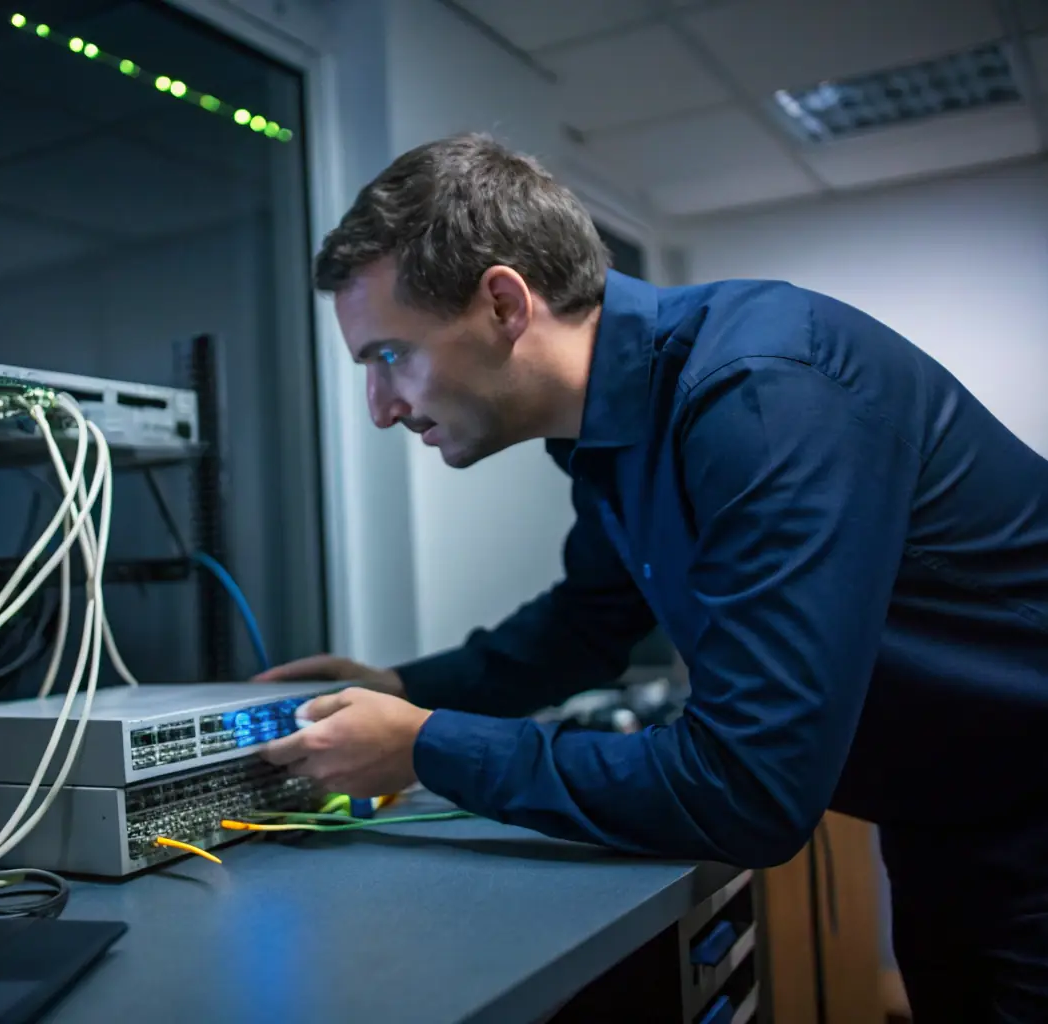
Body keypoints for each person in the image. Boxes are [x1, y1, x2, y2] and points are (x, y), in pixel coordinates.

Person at [255, 132, 1048, 1021]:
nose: (381, 409)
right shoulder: (613, 433)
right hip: (953, 809)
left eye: (388, 356)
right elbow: (585, 626)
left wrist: (424, 744)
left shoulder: (762, 393)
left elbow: (747, 792)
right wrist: (398, 688)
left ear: (503, 304)